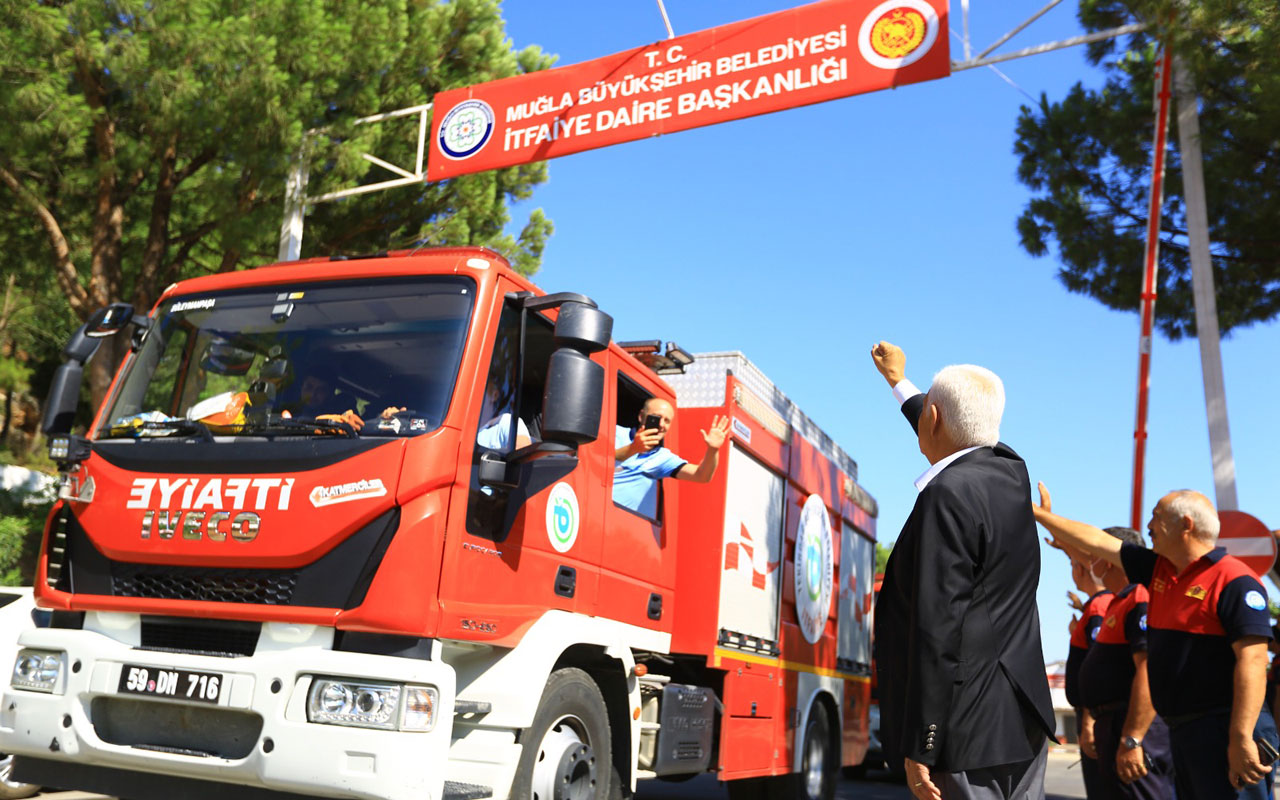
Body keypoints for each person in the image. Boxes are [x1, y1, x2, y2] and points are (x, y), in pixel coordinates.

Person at [869, 341, 1056, 800]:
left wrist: (923, 743)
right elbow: (960, 430)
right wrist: (899, 382)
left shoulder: (945, 495)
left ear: (934, 420)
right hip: (1020, 719)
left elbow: (938, 628)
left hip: (964, 730)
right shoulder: (1012, 471)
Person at [1033, 486, 1277, 799]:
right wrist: (1040, 515)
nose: (1149, 527)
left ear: (1186, 525)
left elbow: (1254, 662)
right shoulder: (1160, 571)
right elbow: (1096, 541)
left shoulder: (1234, 580)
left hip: (1225, 727)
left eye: (1157, 518)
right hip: (1184, 729)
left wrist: (1241, 737)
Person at [1069, 524, 1175, 800]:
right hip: (1112, 722)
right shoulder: (1122, 599)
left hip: (1131, 723)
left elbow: (1147, 668)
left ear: (1108, 558)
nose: (1089, 563)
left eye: (1094, 554)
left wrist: (1133, 738)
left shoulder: (1139, 597)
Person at [612, 397, 730, 518]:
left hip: (629, 530)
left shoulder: (662, 457)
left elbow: (702, 475)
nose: (661, 425)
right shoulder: (614, 433)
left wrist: (713, 449)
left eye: (667, 421)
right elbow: (597, 459)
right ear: (641, 416)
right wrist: (633, 448)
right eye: (656, 417)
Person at [1062, 549, 1115, 798]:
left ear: (1081, 569)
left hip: (1097, 716)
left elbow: (1096, 668)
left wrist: (1088, 721)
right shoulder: (1097, 606)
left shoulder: (1098, 608)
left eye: (1074, 563)